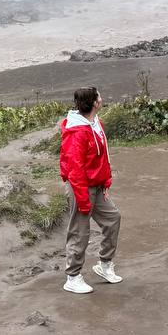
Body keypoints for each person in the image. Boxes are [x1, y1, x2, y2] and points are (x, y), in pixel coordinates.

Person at [59, 86, 122, 294]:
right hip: (80, 187)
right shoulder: (77, 132)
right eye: (100, 97)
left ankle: (105, 265)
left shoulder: (96, 124)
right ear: (94, 102)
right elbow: (74, 168)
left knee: (113, 218)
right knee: (80, 231)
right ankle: (73, 277)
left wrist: (105, 182)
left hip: (96, 185)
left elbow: (102, 157)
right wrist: (83, 199)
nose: (102, 99)